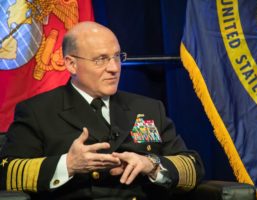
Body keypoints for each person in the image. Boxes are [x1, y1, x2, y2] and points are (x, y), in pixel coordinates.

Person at [0, 21, 204, 199]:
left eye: (117, 56)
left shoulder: (148, 108)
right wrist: (68, 165)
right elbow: (7, 174)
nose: (114, 68)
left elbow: (192, 167)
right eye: (101, 59)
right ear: (71, 64)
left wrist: (152, 164)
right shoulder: (38, 111)